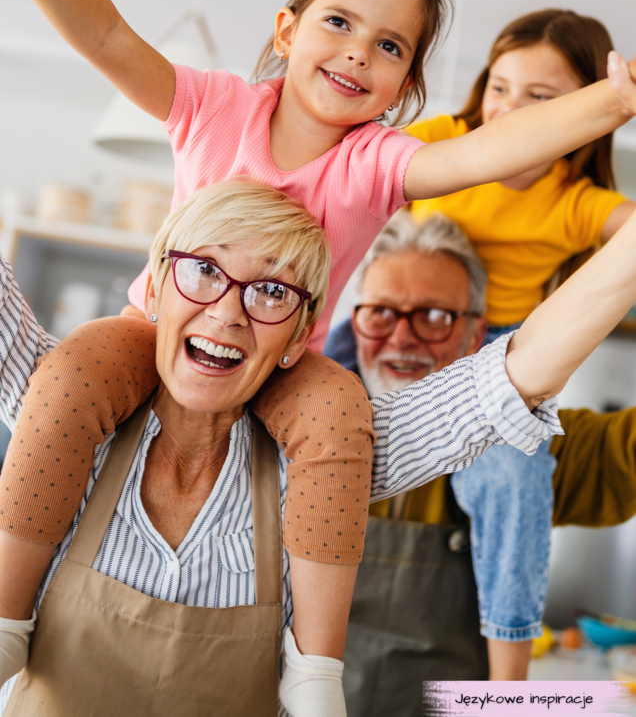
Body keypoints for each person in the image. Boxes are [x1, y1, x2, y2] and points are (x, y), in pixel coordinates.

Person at [1, 0, 636, 683]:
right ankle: (11, 613)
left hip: (287, 362)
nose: (355, 52)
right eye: (337, 22)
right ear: (287, 28)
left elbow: (486, 150)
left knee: (343, 415)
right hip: (153, 332)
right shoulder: (214, 107)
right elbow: (107, 37)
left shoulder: (376, 163)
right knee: (69, 374)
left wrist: (608, 108)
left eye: (389, 46)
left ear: (406, 86)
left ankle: (315, 669)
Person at [0, 178, 592, 716]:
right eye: (203, 270)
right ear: (154, 291)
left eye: (270, 292)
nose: (228, 313)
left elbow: (519, 372)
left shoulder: (323, 462)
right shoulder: (63, 413)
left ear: (300, 336)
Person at [400, 9, 636, 679]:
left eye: (541, 98)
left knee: (516, 479)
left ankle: (509, 685)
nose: (508, 110)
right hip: (397, 325)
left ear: (589, 113)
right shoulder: (443, 139)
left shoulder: (574, 201)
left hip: (497, 359)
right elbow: (358, 182)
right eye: (499, 86)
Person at [325, 211, 636, 711]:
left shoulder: (532, 446)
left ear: (477, 335)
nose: (401, 338)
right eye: (381, 312)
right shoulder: (302, 440)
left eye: (434, 316)